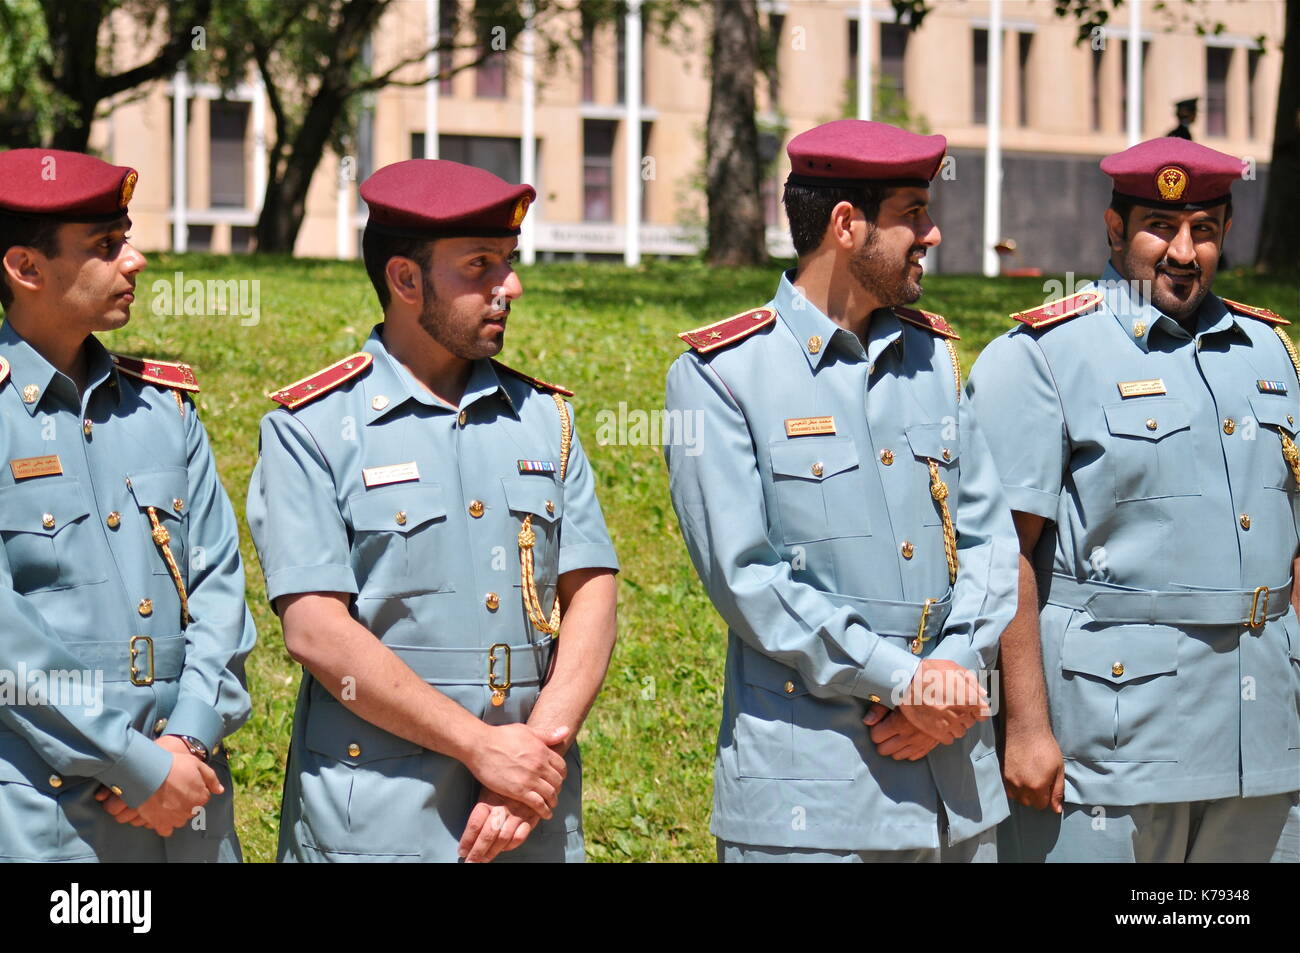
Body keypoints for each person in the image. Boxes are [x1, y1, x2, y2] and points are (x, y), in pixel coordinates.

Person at [664, 120, 1019, 862]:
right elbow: (749, 577)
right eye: (913, 213)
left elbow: (990, 538)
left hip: (957, 795)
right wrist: (903, 680)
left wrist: (948, 674)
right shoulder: (721, 375)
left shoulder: (937, 360)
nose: (934, 233)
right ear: (847, 225)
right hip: (814, 808)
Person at [247, 158, 619, 863]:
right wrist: (482, 748)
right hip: (378, 826)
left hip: (525, 821)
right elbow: (317, 632)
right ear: (405, 279)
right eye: (479, 266)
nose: (509, 286)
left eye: (508, 263)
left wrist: (530, 761)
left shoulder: (545, 419)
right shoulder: (314, 427)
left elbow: (592, 593)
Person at [968, 137, 1300, 862]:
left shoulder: (1269, 353)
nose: (1184, 252)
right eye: (1161, 227)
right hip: (1110, 745)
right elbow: (1002, 555)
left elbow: (1293, 546)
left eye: (1204, 231)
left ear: (1227, 233)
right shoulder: (1042, 358)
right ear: (1115, 228)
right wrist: (1023, 726)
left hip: (1265, 735)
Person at [0, 148, 255, 861]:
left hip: (191, 806)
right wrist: (136, 765)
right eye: (107, 247)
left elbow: (221, 590)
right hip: (48, 819)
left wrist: (186, 740)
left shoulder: (164, 411)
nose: (135, 261)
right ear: (25, 268)